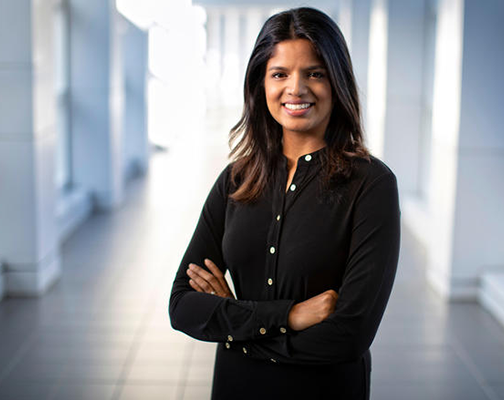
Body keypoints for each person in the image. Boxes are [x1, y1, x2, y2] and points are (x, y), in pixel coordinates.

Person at [168, 7, 400, 400]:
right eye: (280, 74)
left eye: (315, 73)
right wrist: (291, 316)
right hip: (236, 388)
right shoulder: (236, 180)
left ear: (337, 83)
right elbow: (182, 306)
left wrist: (236, 328)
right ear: (261, 85)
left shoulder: (372, 185)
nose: (296, 89)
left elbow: (348, 336)